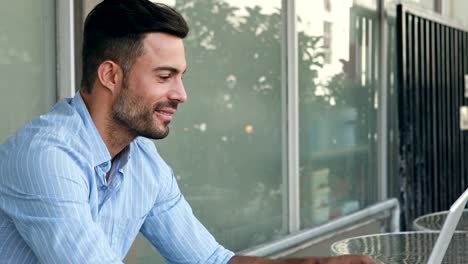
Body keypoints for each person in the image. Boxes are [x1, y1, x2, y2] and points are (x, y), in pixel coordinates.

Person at [0, 0, 376, 263]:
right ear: (111, 75)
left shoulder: (143, 161)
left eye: (180, 77)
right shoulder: (46, 156)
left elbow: (210, 259)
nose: (181, 94)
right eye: (165, 76)